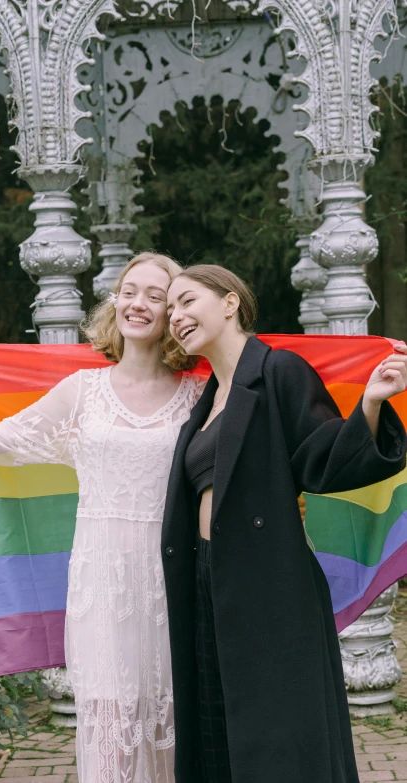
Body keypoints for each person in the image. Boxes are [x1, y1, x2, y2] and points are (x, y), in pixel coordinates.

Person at [0, 252, 204, 783]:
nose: (139, 303)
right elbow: (2, 441)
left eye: (156, 295)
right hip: (102, 576)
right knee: (107, 715)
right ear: (115, 301)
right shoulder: (83, 391)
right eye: (130, 290)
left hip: (174, 574)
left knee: (173, 710)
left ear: (174, 313)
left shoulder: (198, 395)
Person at [163, 264, 407, 783]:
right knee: (217, 734)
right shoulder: (205, 401)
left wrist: (369, 403)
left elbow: (324, 462)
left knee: (280, 745)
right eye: (169, 312)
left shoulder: (278, 372)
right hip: (208, 583)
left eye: (186, 301)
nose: (175, 317)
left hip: (271, 589)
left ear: (230, 302)